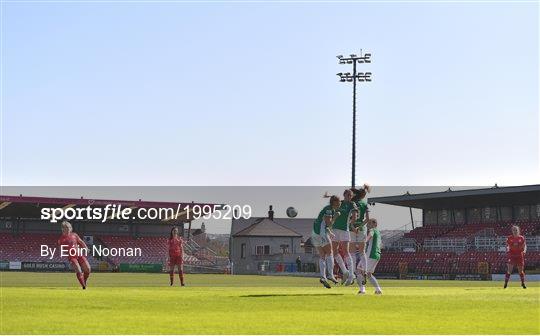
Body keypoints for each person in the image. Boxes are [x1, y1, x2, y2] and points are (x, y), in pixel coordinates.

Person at [312, 195, 341, 288]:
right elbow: (329, 223)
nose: (339, 203)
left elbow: (324, 224)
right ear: (334, 203)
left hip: (315, 234)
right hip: (321, 234)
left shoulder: (327, 209)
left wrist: (330, 232)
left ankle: (323, 277)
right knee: (330, 252)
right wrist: (336, 217)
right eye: (338, 202)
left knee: (322, 256)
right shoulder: (329, 209)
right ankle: (330, 275)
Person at [330, 189, 357, 285]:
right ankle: (345, 271)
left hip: (345, 230)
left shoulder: (352, 204)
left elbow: (354, 216)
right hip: (335, 229)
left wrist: (352, 223)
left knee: (346, 251)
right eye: (348, 195)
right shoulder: (339, 203)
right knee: (334, 251)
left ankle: (351, 274)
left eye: (351, 195)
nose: (349, 197)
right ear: (344, 195)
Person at [57, 221, 91, 289]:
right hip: (72, 257)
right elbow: (61, 249)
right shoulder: (61, 239)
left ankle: (84, 282)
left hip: (79, 254)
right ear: (63, 229)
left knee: (88, 269)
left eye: (69, 227)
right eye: (66, 227)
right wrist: (67, 252)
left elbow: (81, 241)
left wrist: (86, 248)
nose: (68, 228)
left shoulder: (74, 235)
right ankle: (84, 287)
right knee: (79, 270)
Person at [351, 184, 371, 283]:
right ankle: (365, 271)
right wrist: (360, 226)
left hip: (352, 229)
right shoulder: (364, 204)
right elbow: (367, 219)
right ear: (363, 195)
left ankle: (354, 271)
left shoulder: (352, 202)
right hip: (361, 229)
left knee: (352, 252)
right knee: (362, 252)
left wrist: (353, 226)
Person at [356, 218, 382, 295]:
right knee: (368, 274)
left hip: (370, 254)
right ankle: (378, 290)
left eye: (369, 223)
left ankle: (362, 290)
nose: (367, 225)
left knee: (359, 270)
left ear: (375, 224)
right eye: (368, 224)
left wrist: (364, 241)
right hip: (377, 255)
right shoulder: (379, 233)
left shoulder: (373, 230)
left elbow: (370, 235)